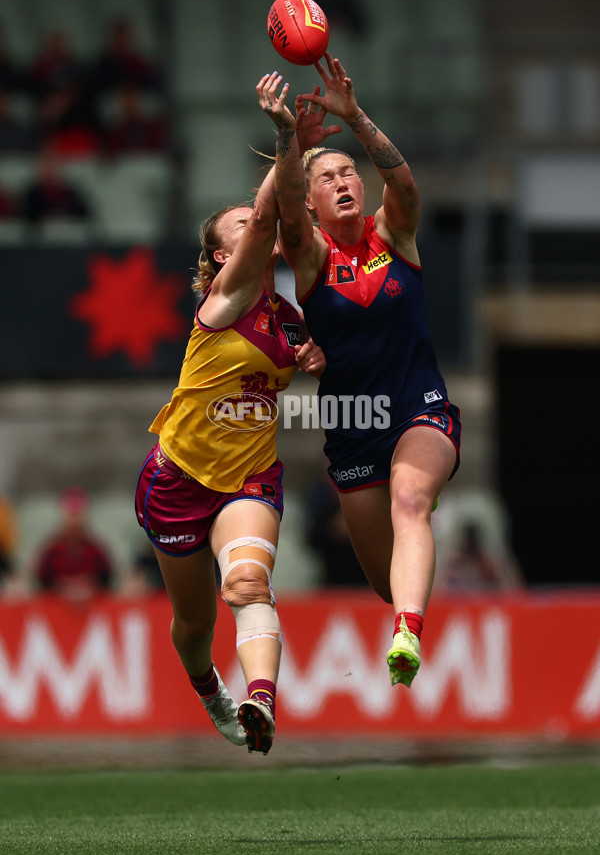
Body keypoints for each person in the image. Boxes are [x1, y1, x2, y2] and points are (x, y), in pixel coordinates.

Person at [134, 73, 336, 755]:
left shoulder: (286, 317)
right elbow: (276, 212)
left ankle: (261, 702)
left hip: (249, 479)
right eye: (244, 227)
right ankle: (211, 692)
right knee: (192, 625)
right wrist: (284, 138)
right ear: (222, 256)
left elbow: (290, 228)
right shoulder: (223, 300)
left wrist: (313, 360)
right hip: (178, 478)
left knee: (248, 583)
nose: (257, 228)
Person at [263, 54, 462, 689]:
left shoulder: (393, 236)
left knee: (411, 500)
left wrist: (355, 118)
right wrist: (290, 144)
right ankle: (401, 608)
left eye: (351, 172)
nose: (346, 181)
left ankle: (409, 633)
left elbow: (404, 187)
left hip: (418, 407)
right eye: (331, 177)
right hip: (352, 426)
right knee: (384, 580)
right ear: (315, 199)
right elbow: (286, 212)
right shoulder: (311, 255)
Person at [34, 486, 114, 603]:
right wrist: (62, 588)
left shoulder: (96, 550)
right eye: (71, 516)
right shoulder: (52, 551)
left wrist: (90, 588)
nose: (74, 522)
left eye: (77, 516)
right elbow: (41, 584)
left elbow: (108, 582)